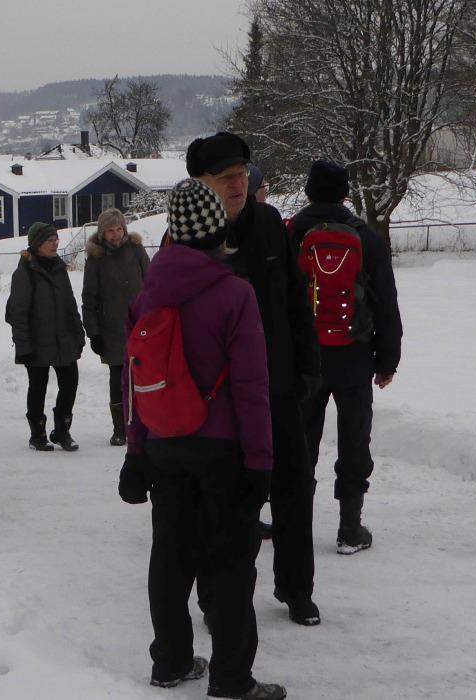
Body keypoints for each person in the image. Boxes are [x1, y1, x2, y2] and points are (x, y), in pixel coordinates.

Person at [118, 179, 283, 700]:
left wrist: (136, 450)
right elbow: (252, 388)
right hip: (222, 451)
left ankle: (169, 660)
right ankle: (232, 680)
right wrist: (261, 461)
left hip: (164, 445)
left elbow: (137, 381)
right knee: (231, 563)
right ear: (218, 229)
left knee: (170, 556)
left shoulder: (145, 295)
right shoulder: (235, 294)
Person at [187, 132, 324, 627]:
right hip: (219, 400)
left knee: (295, 487)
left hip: (278, 385)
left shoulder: (269, 224)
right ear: (201, 183)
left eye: (242, 175)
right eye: (225, 178)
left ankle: (296, 587)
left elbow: (295, 299)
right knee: (224, 503)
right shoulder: (188, 234)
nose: (237, 184)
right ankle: (216, 595)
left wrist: (308, 364)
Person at [287, 160, 403, 555]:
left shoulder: (293, 232)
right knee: (354, 440)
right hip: (354, 355)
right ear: (345, 193)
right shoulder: (365, 236)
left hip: (304, 357)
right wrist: (388, 360)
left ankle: (294, 522)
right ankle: (349, 528)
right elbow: (385, 301)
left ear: (308, 191)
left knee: (301, 441)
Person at [7, 222, 86, 452]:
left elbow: (70, 305)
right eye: (50, 240)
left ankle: (62, 431)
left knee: (70, 383)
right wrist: (23, 347)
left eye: (56, 239)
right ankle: (38, 434)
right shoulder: (24, 273)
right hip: (36, 343)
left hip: (64, 341)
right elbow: (18, 314)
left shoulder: (60, 269)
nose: (55, 243)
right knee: (38, 387)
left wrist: (78, 335)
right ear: (37, 244)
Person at [81, 208, 148, 447]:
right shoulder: (96, 258)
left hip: (141, 326)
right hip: (111, 329)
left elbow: (151, 283)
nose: (116, 234)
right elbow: (89, 298)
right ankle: (120, 428)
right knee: (118, 379)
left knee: (144, 377)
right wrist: (94, 332)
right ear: (102, 233)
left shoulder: (136, 250)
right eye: (110, 230)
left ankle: (144, 424)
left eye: (119, 229)